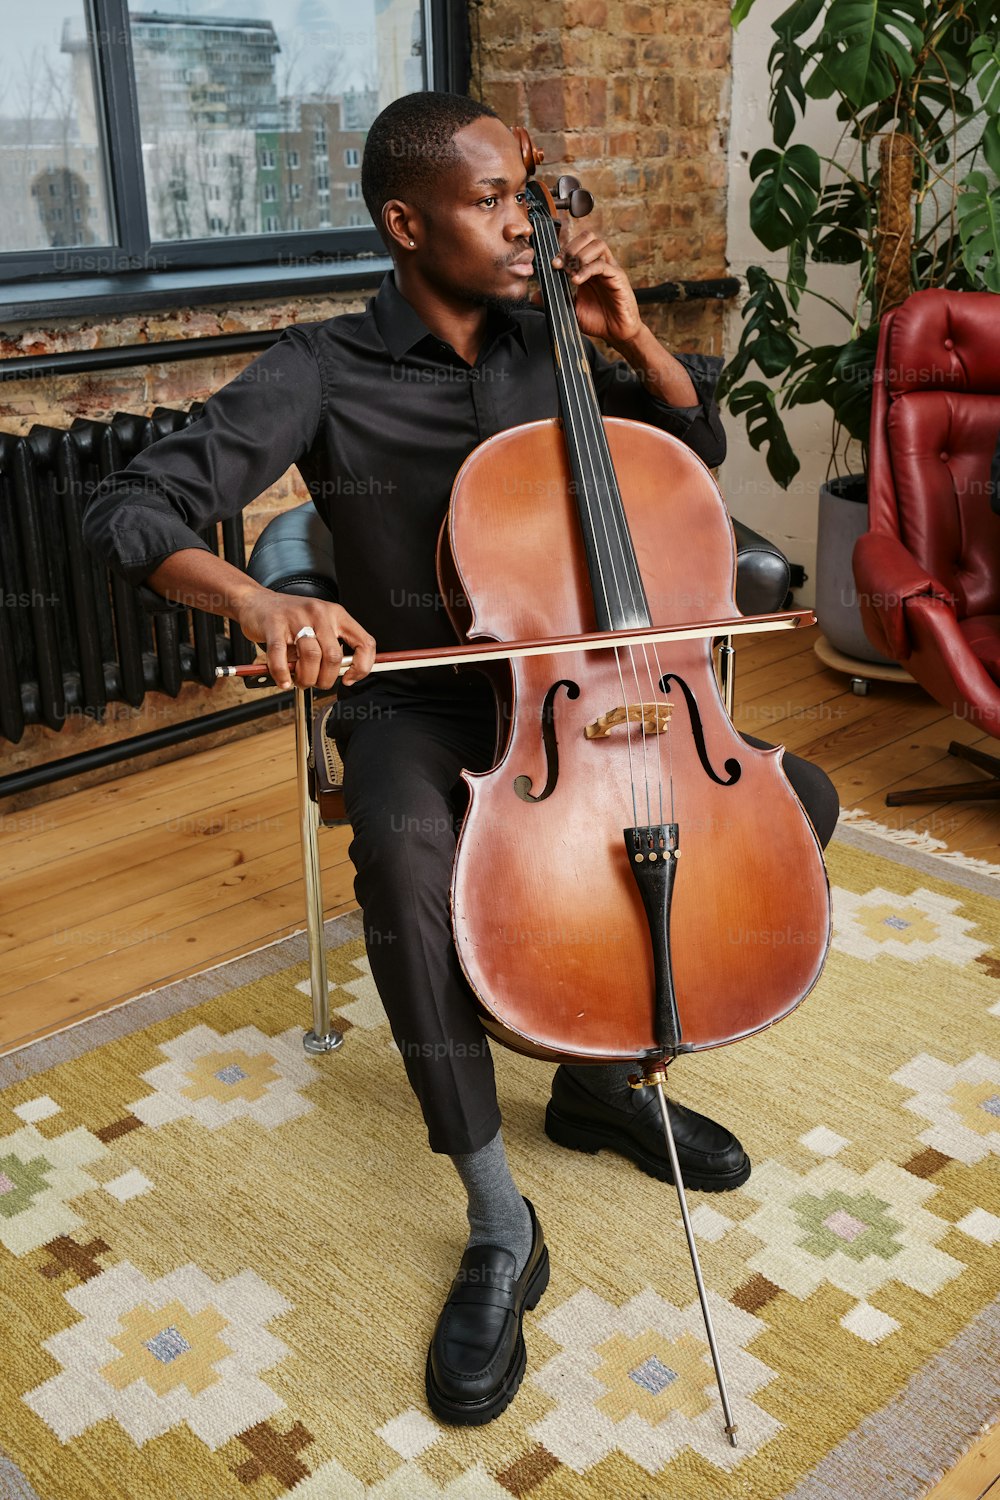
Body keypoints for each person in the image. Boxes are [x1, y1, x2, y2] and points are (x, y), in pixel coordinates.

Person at [84, 91, 839, 1428]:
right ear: (405, 221)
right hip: (424, 706)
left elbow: (691, 464)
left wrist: (636, 346)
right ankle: (499, 1218)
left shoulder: (553, 340)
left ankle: (599, 1081)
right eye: (495, 200)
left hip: (600, 693)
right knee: (403, 857)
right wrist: (260, 600)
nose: (528, 222)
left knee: (790, 808)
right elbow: (132, 503)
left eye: (532, 196)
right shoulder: (319, 366)